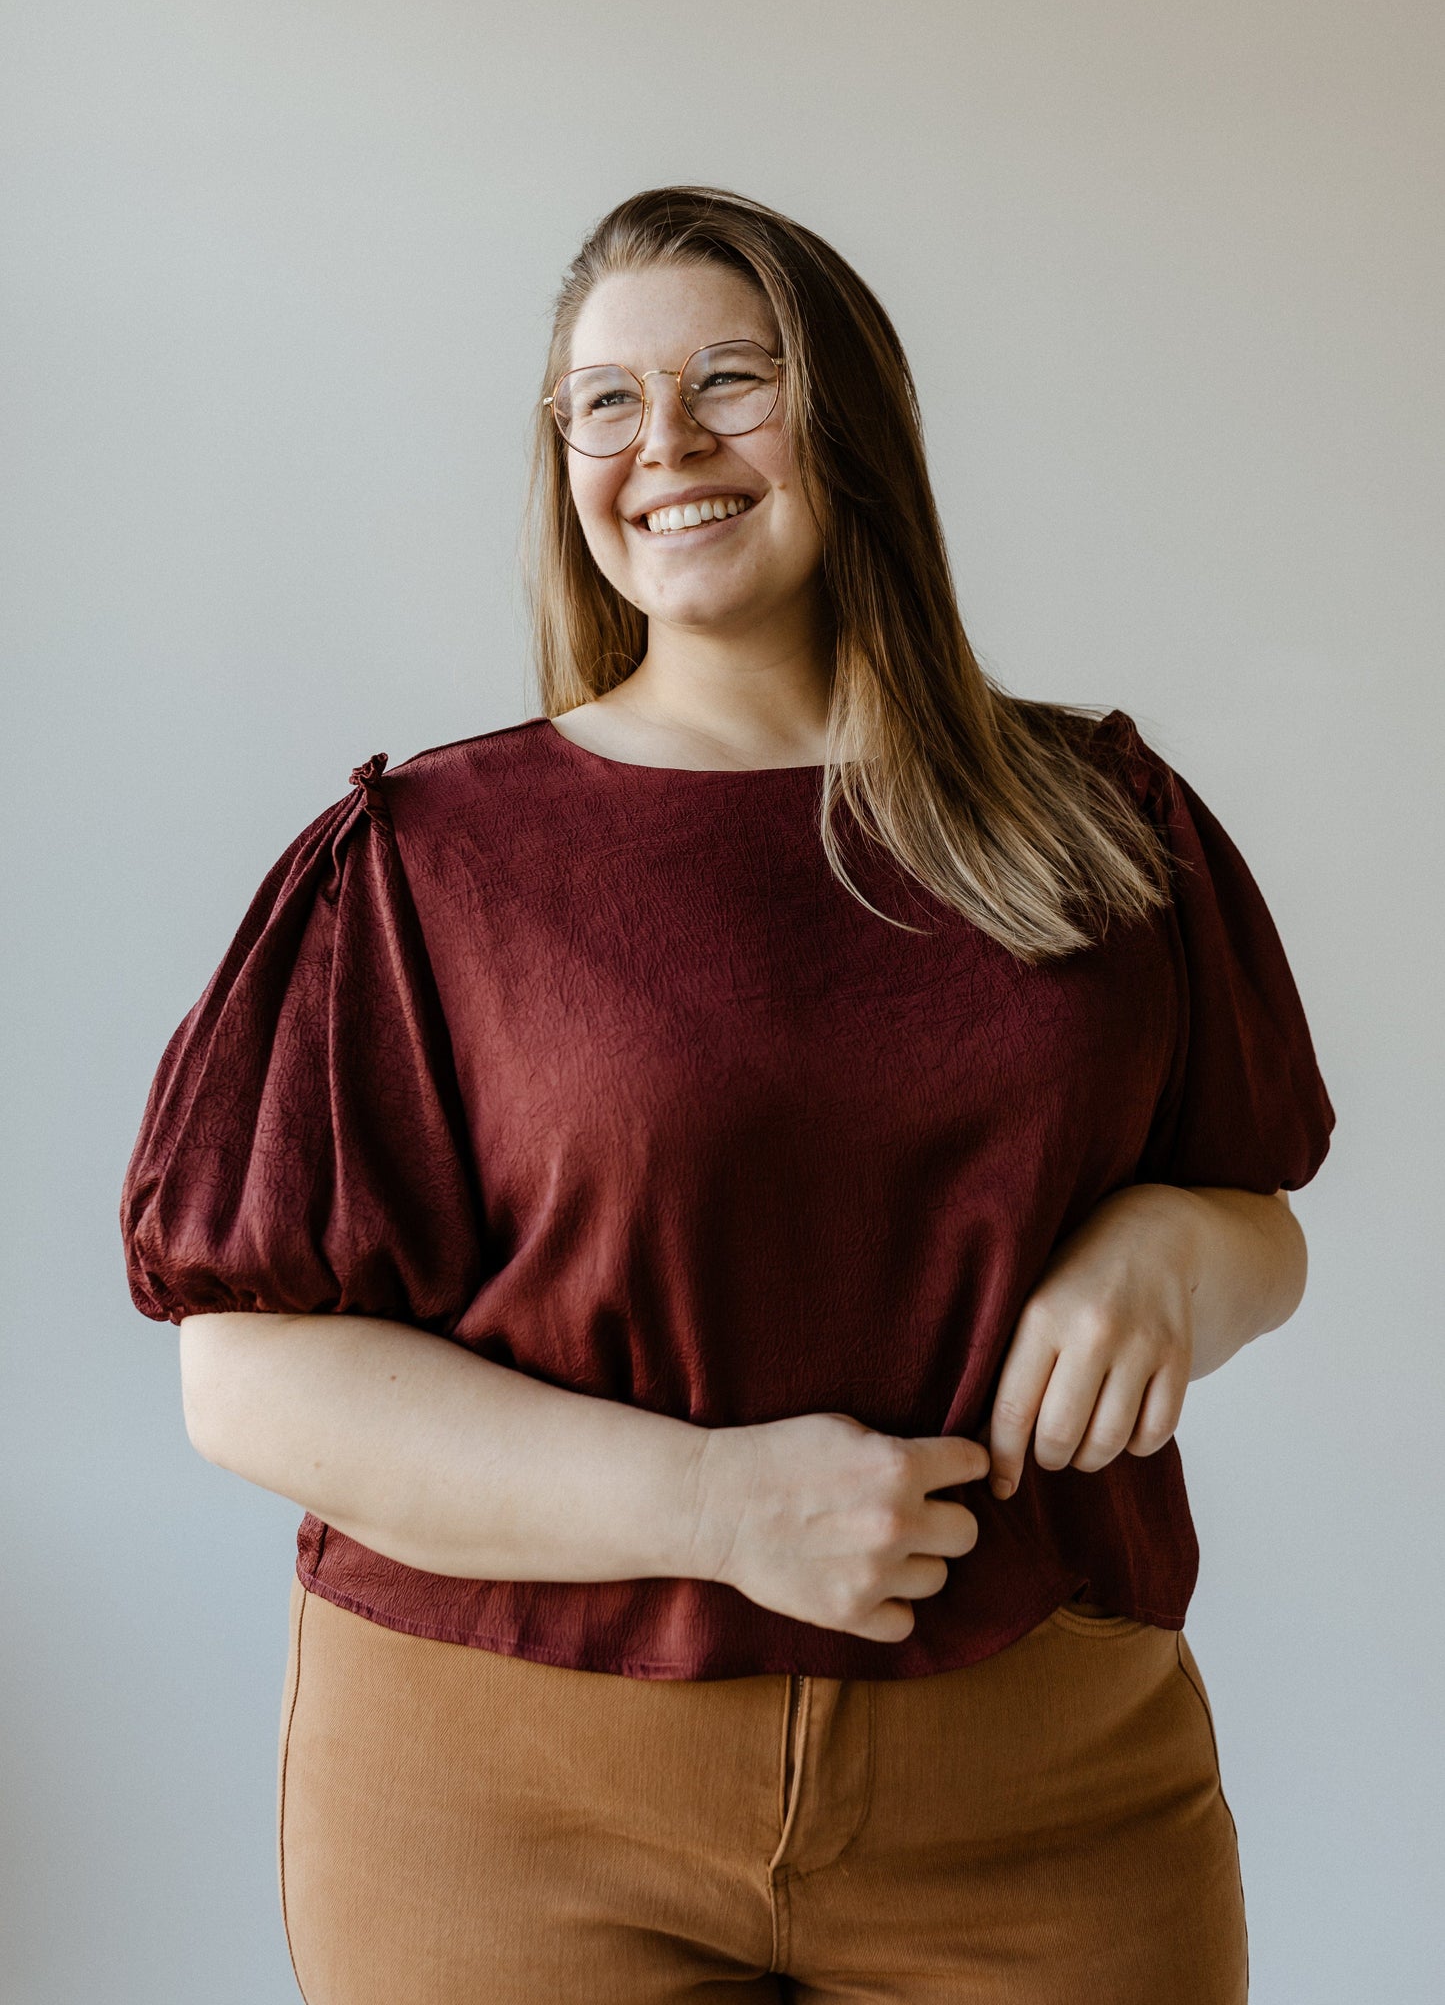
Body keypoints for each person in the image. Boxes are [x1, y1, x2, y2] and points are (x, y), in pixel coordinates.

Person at [121, 185, 1333, 2005]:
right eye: (601, 401)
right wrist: (713, 1512)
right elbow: (245, 1370)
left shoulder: (1102, 821)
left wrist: (1186, 1247)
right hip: (505, 1797)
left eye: (727, 380)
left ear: (849, 417)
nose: (660, 443)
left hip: (1044, 1779)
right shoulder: (425, 860)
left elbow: (1260, 1216)